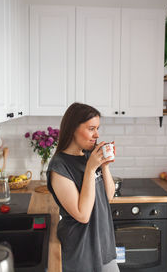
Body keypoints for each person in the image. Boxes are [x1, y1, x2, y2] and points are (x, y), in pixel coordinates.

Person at [47, 102, 120, 272]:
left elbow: (108, 197)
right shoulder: (59, 167)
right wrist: (91, 168)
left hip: (104, 247)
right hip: (81, 254)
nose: (97, 134)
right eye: (91, 128)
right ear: (73, 129)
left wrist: (105, 166)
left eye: (97, 128)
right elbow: (82, 215)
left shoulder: (90, 155)